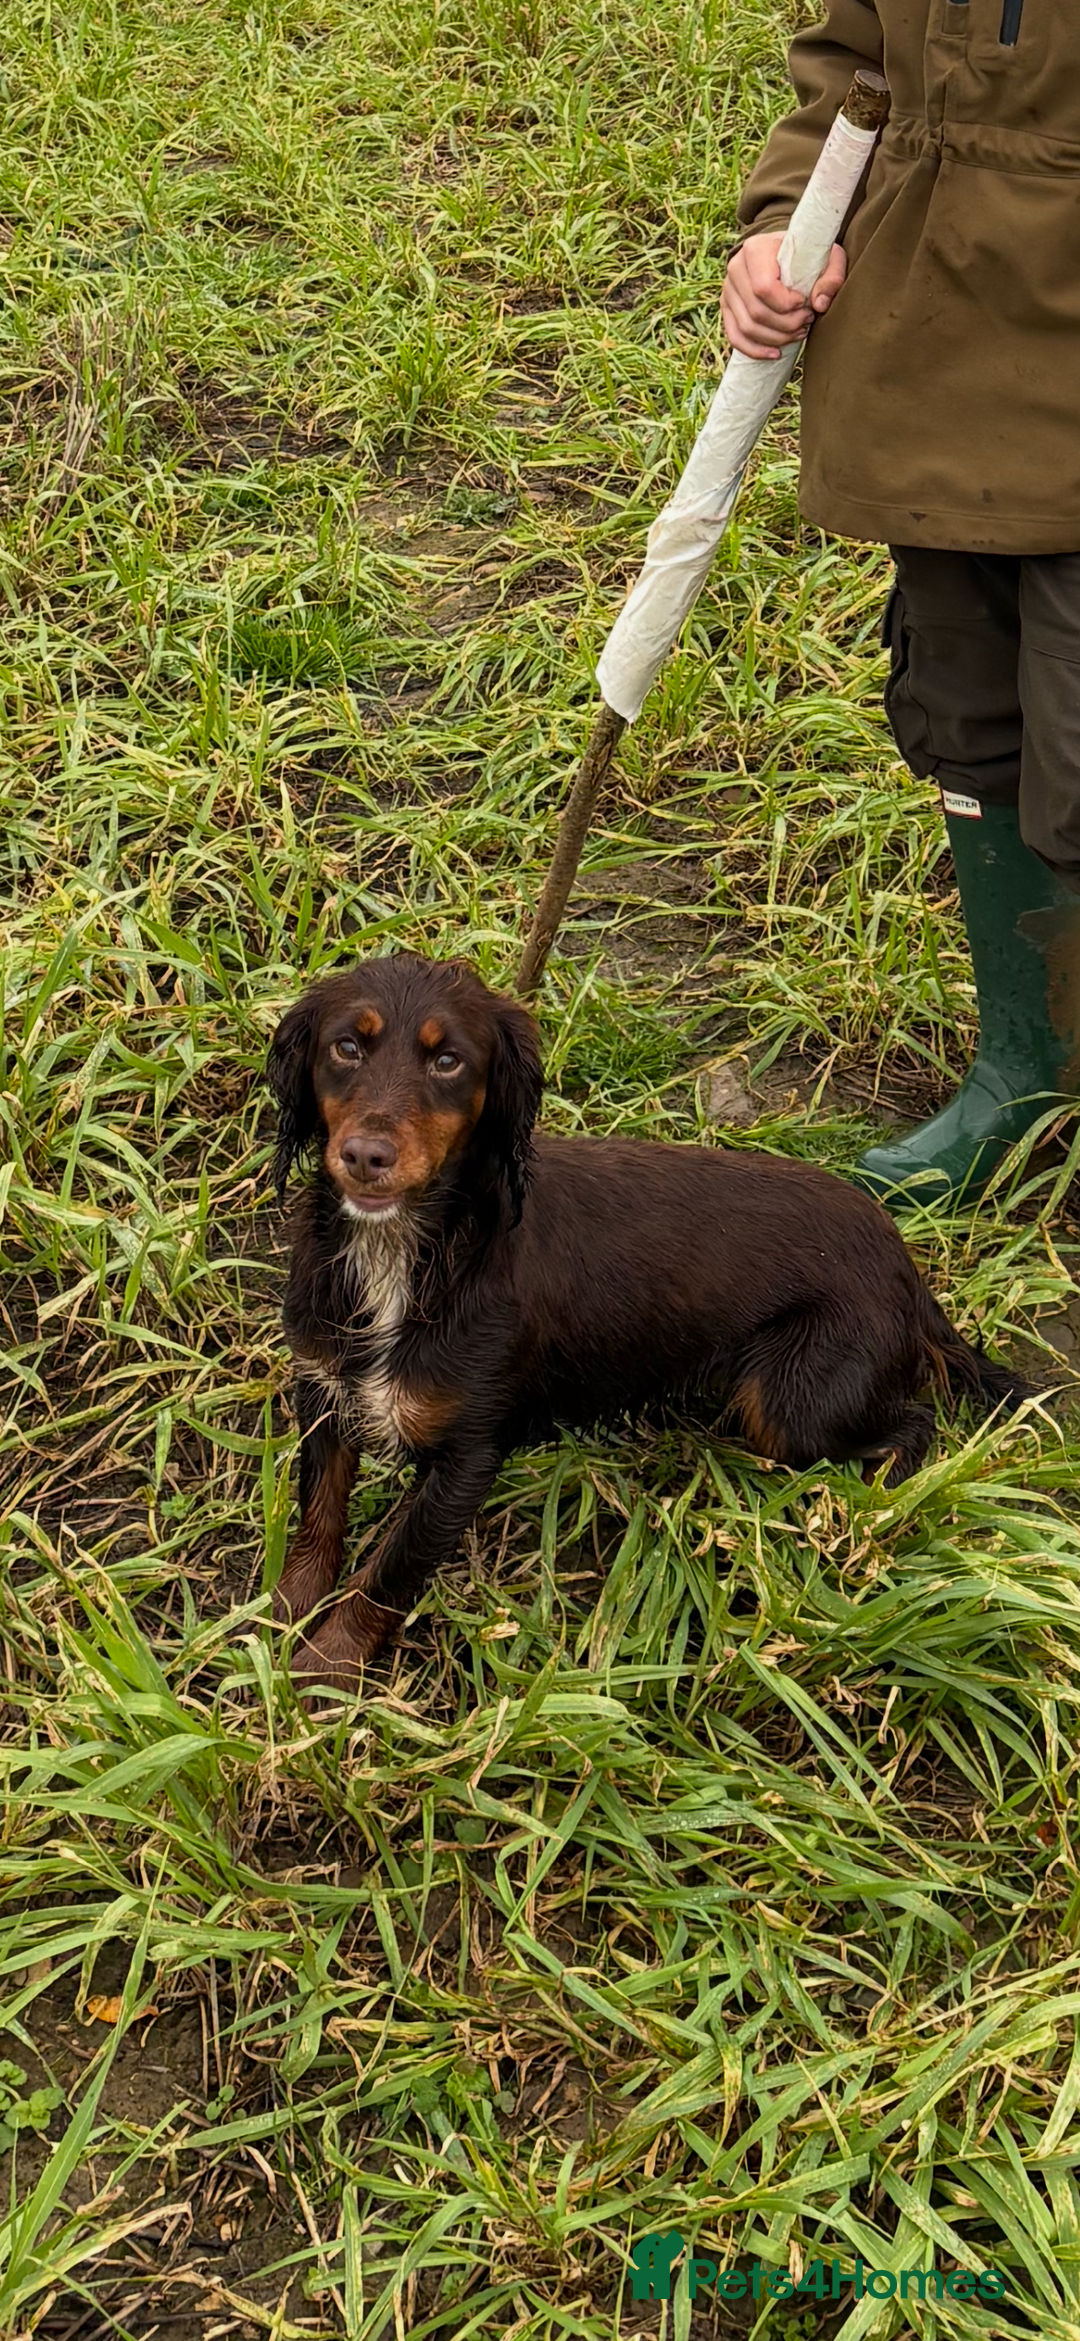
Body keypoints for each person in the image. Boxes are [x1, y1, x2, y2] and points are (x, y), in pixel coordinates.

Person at [721, 0, 1080, 1205]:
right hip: (923, 359)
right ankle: (1023, 1077)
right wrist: (785, 225)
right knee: (965, 719)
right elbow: (855, 66)